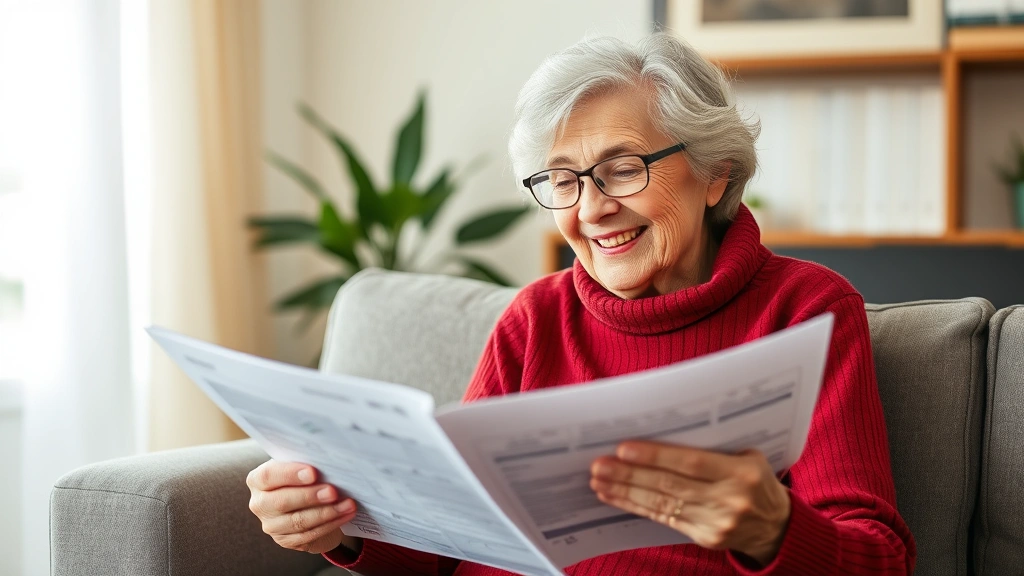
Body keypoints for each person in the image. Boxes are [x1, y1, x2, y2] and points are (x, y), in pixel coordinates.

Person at [245, 33, 916, 574]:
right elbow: (450, 540)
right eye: (562, 180)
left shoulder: (806, 310)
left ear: (718, 173)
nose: (592, 209)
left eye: (624, 169)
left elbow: (881, 558)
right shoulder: (534, 319)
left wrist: (774, 528)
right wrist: (342, 523)